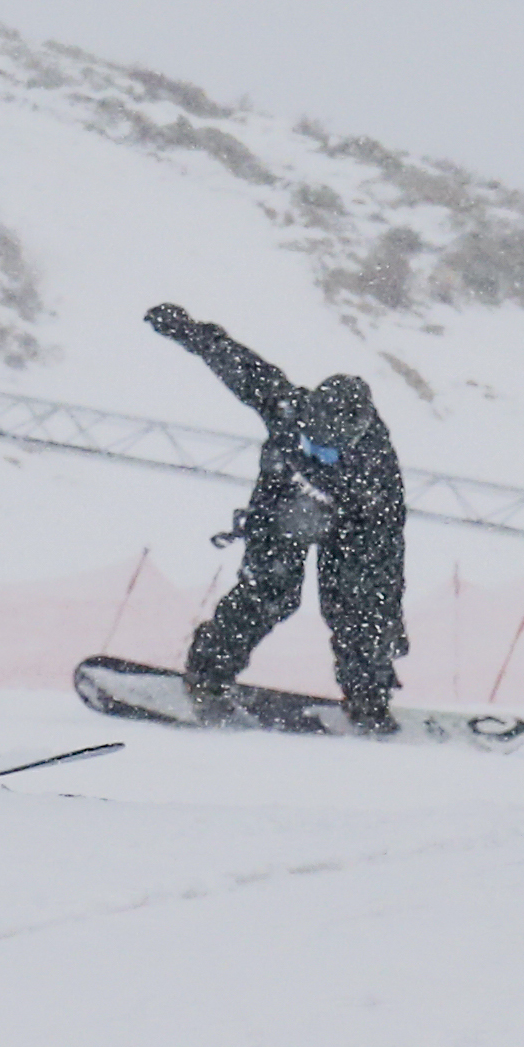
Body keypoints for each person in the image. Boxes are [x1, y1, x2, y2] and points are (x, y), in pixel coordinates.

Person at [144, 305, 408, 732]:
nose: (315, 455)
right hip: (281, 509)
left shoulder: (377, 472)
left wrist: (384, 630)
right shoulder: (286, 407)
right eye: (310, 443)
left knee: (359, 608)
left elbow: (385, 572)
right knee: (269, 592)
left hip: (355, 525)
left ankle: (368, 702)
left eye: (327, 453)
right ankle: (207, 677)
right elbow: (236, 363)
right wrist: (188, 330)